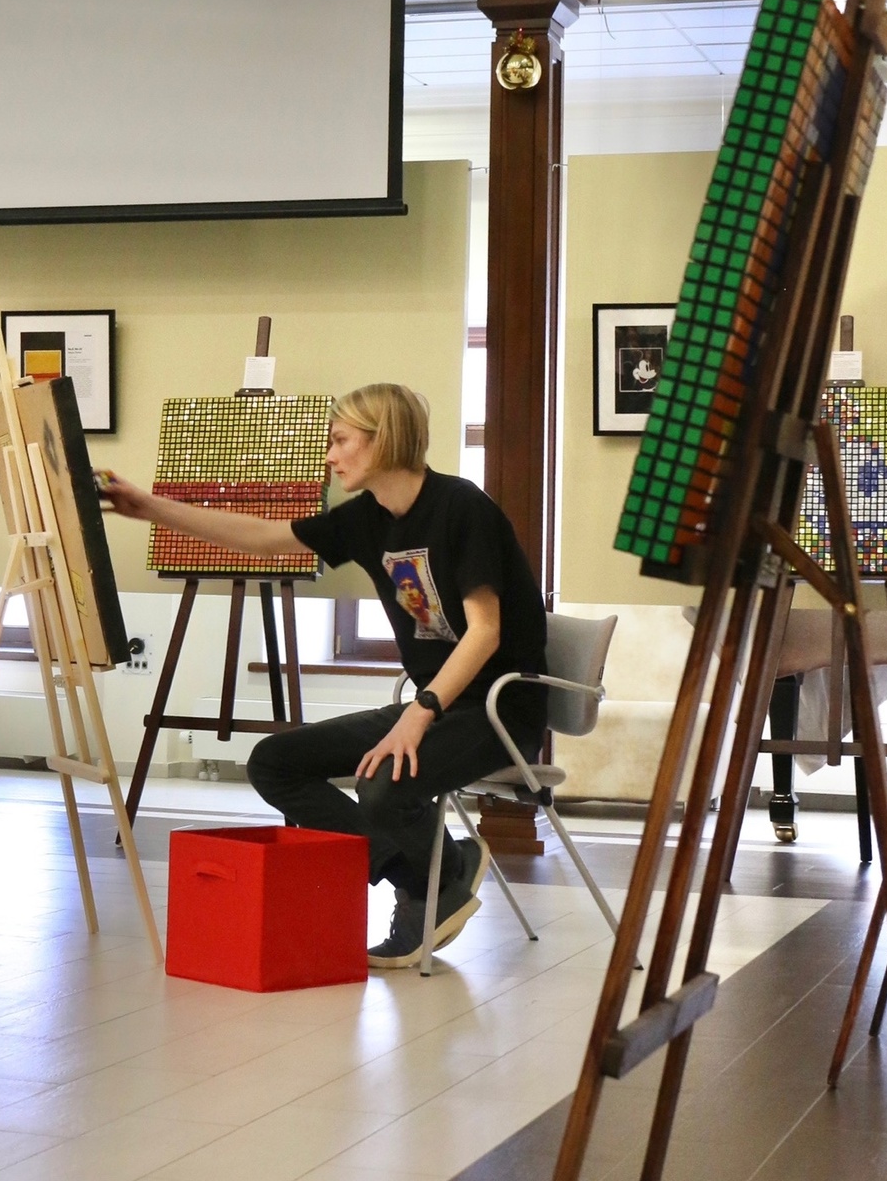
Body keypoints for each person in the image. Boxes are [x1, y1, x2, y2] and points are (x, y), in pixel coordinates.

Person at [98, 383, 551, 970]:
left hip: (499, 710)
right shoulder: (367, 520)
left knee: (382, 785)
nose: (330, 456)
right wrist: (150, 507)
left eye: (341, 441)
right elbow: (263, 538)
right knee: (275, 762)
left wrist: (419, 714)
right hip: (439, 705)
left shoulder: (462, 507)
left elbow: (484, 631)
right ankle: (432, 876)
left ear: (384, 439)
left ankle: (435, 884)